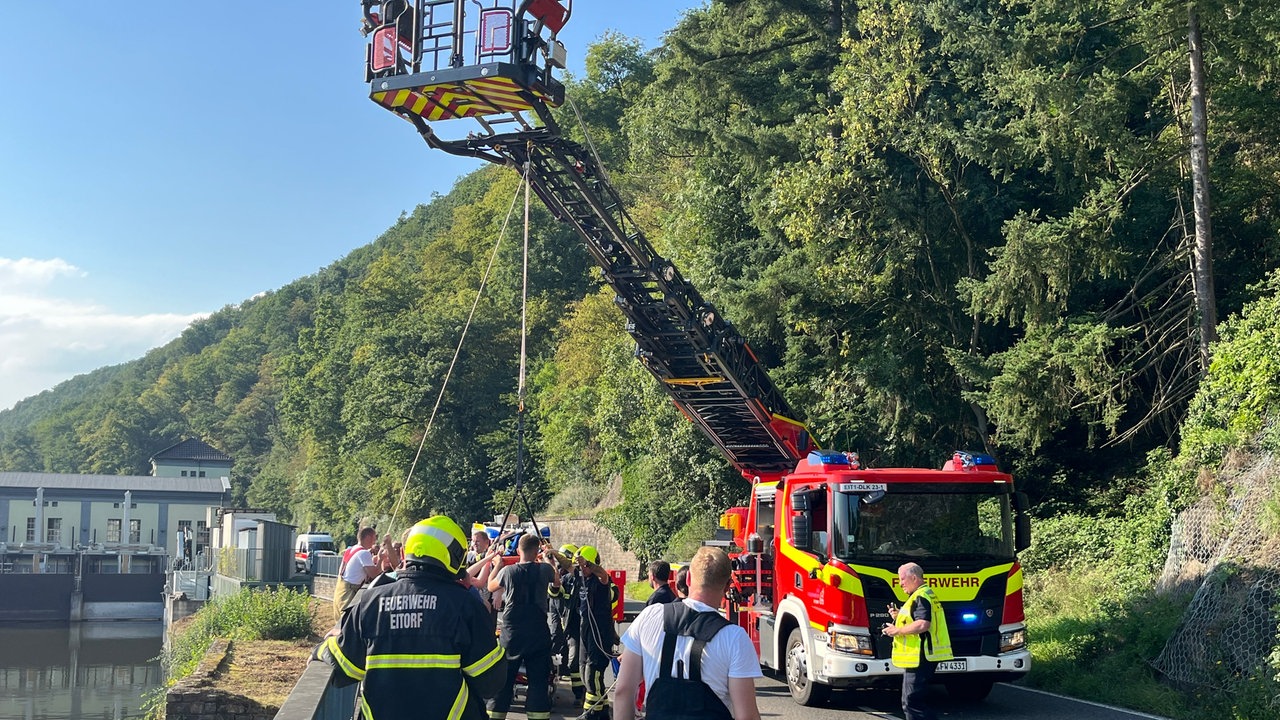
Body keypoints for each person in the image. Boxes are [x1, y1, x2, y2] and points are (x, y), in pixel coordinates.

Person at [318, 516, 506, 720]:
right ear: (453, 556)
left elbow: (346, 668)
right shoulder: (464, 606)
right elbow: (490, 681)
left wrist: (326, 645)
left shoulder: (371, 601)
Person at [615, 546, 761, 720]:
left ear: (688, 578)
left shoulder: (650, 616)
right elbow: (747, 716)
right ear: (728, 586)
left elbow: (623, 691)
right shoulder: (735, 637)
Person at [485, 533, 560, 720]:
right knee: (538, 682)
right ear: (536, 552)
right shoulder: (544, 570)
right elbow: (557, 581)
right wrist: (548, 559)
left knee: (504, 679)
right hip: (538, 630)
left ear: (518, 550)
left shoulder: (508, 572)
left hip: (512, 632)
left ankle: (495, 716)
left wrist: (497, 566)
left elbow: (490, 586)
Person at [881, 562, 953, 720]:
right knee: (912, 701)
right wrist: (898, 616)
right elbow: (917, 618)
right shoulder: (922, 594)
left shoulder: (920, 596)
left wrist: (897, 630)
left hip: (920, 655)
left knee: (911, 702)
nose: (900, 584)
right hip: (921, 655)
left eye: (902, 579)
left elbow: (923, 624)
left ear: (914, 577)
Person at [562, 545, 617, 720]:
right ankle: (603, 713)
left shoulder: (600, 580)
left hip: (600, 633)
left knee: (592, 675)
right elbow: (567, 565)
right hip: (585, 630)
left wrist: (589, 564)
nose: (582, 570)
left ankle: (590, 715)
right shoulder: (580, 577)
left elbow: (603, 574)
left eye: (584, 567)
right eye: (580, 568)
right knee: (585, 673)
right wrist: (553, 553)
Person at [334, 527, 380, 618]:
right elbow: (374, 574)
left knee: (339, 625)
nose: (375, 541)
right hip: (349, 595)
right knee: (348, 622)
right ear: (368, 537)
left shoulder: (350, 550)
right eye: (374, 537)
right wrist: (381, 559)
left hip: (340, 593)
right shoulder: (364, 553)